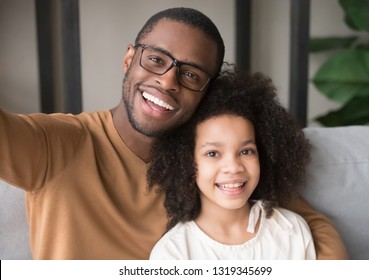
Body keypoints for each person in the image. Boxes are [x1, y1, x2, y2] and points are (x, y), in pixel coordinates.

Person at [0, 7, 347, 259]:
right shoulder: (57, 144)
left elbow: (310, 225)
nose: (167, 81)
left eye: (191, 74)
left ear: (205, 92)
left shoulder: (212, 164)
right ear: (129, 59)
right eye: (155, 59)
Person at [147, 69, 316, 259]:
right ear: (184, 161)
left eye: (246, 151)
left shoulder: (291, 231)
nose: (234, 167)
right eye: (213, 153)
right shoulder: (173, 253)